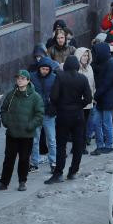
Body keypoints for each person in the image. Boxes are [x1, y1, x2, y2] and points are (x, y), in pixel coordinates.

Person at [46, 55, 92, 184]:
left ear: (65, 65)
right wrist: (79, 105)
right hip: (78, 115)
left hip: (63, 115)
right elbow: (88, 99)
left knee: (61, 145)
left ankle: (58, 173)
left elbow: (54, 96)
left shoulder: (60, 76)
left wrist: (60, 104)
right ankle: (73, 171)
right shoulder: (82, 78)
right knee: (78, 144)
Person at [0, 71, 44, 192]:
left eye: (23, 78)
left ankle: (22, 182)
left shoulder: (35, 97)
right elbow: (3, 110)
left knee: (24, 159)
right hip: (12, 133)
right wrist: (7, 123)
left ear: (28, 81)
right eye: (18, 78)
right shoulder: (11, 94)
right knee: (8, 159)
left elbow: (39, 114)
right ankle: (3, 182)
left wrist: (30, 126)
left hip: (27, 134)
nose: (20, 80)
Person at [90, 43, 113, 155]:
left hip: (107, 98)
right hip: (100, 98)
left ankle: (108, 145)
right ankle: (100, 145)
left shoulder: (111, 64)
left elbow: (107, 83)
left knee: (106, 123)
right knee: (96, 123)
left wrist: (95, 96)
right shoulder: (98, 63)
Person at [29, 56, 59, 173]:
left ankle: (53, 162)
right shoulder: (32, 77)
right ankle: (34, 163)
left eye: (47, 69)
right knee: (35, 139)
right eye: (43, 69)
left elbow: (57, 94)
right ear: (39, 68)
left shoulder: (54, 78)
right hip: (36, 113)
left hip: (49, 113)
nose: (45, 71)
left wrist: (54, 107)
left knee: (51, 139)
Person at [74, 47, 96, 149]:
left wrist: (93, 96)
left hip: (88, 101)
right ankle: (79, 146)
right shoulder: (75, 69)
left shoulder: (90, 68)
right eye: (84, 55)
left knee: (85, 124)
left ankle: (82, 145)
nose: (86, 57)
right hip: (78, 102)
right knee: (78, 126)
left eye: (87, 55)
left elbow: (92, 84)